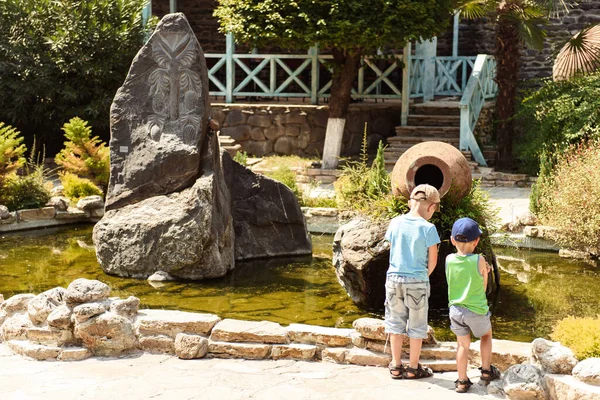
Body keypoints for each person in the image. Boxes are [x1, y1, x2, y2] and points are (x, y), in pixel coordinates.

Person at [385, 184, 440, 380]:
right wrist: (423, 276)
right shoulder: (429, 228)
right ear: (431, 207)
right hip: (417, 280)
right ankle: (413, 368)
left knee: (395, 323)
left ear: (411, 202)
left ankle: (396, 365)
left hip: (393, 279)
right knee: (417, 326)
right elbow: (433, 260)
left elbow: (392, 249)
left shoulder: (395, 222)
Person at [446, 217, 501, 393]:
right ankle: (486, 371)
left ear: (452, 240)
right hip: (475, 310)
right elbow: (483, 287)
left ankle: (462, 381)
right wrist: (485, 271)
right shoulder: (479, 259)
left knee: (462, 345)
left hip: (455, 310)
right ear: (476, 241)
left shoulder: (448, 259)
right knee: (485, 336)